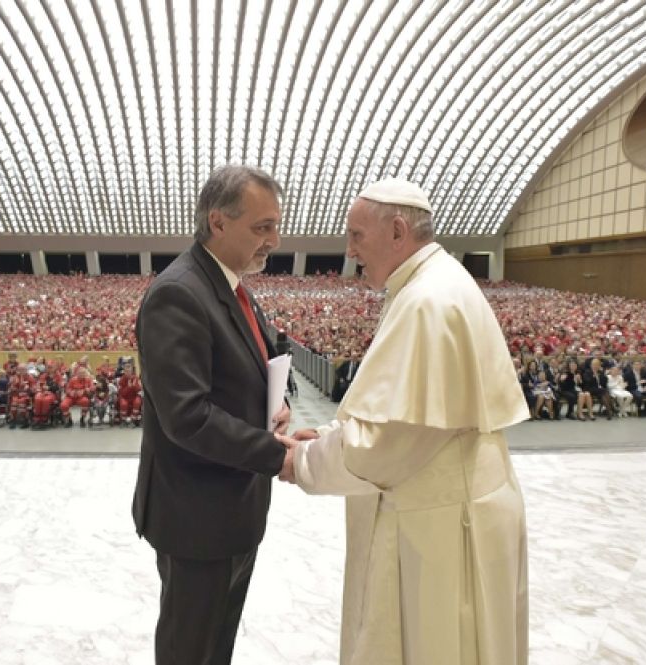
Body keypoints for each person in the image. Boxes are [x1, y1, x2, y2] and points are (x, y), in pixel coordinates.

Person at [277, 179, 528, 665]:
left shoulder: (427, 301)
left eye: (356, 236)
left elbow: (386, 443)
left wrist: (303, 462)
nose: (349, 252)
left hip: (443, 522)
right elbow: (399, 412)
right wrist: (330, 435)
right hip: (452, 499)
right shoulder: (432, 283)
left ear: (397, 230)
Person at [131, 165, 292, 665]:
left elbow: (262, 357)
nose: (273, 240)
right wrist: (275, 454)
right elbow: (188, 417)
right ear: (218, 223)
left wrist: (278, 402)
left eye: (275, 225)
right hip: (196, 518)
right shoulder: (178, 293)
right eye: (261, 227)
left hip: (232, 511)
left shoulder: (231, 285)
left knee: (215, 646)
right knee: (190, 650)